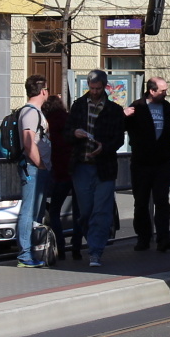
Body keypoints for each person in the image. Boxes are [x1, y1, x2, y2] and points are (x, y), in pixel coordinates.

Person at [66, 69, 125, 268]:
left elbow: (118, 139)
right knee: (86, 211)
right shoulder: (79, 106)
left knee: (102, 210)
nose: (94, 92)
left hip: (104, 167)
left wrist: (104, 147)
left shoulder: (114, 110)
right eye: (91, 88)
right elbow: (66, 133)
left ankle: (95, 251)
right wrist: (75, 132)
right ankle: (92, 239)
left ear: (105, 86)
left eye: (98, 89)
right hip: (81, 165)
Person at [124, 77, 170, 252]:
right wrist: (123, 114)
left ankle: (163, 238)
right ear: (152, 91)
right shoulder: (138, 106)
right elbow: (122, 126)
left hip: (162, 162)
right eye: (162, 91)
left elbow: (166, 133)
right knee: (141, 202)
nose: (165, 93)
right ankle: (143, 238)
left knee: (162, 202)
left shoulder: (165, 107)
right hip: (142, 163)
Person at [15, 75, 51, 269]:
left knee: (35, 212)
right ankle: (25, 254)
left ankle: (33, 251)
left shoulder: (35, 111)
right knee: (28, 211)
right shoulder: (30, 112)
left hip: (36, 168)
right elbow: (29, 143)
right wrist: (41, 165)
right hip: (32, 169)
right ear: (43, 91)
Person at [43, 94, 81, 260]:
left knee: (54, 211)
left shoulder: (48, 123)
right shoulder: (70, 119)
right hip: (76, 170)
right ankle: (77, 247)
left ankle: (60, 245)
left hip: (60, 173)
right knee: (79, 211)